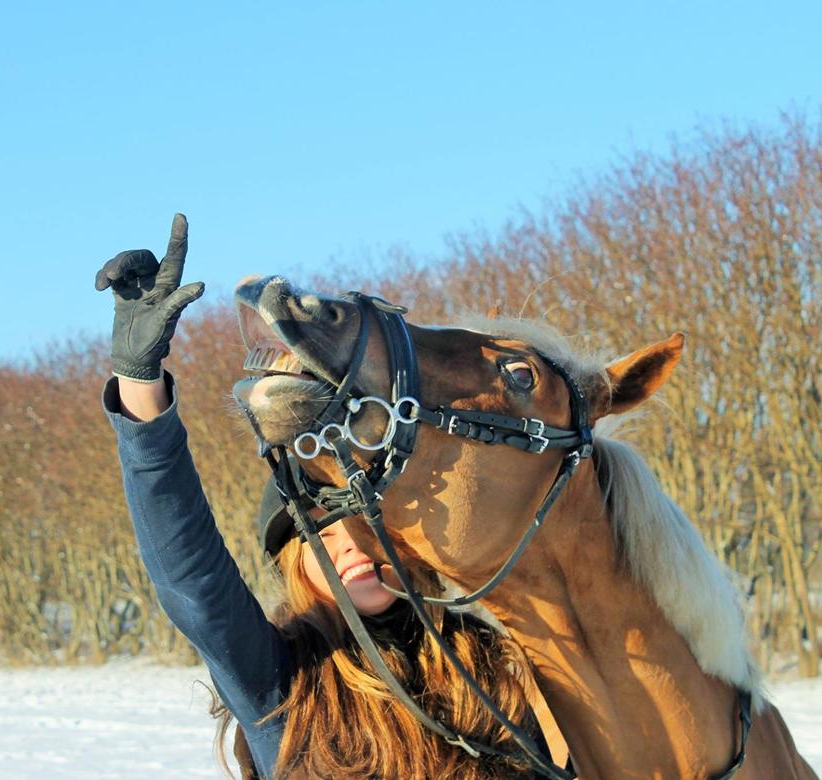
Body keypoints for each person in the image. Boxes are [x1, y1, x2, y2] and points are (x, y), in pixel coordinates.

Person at [98, 214, 543, 779]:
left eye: (361, 522)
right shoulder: (280, 679)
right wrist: (140, 384)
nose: (350, 544)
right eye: (323, 533)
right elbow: (193, 581)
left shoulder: (490, 665)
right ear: (295, 563)